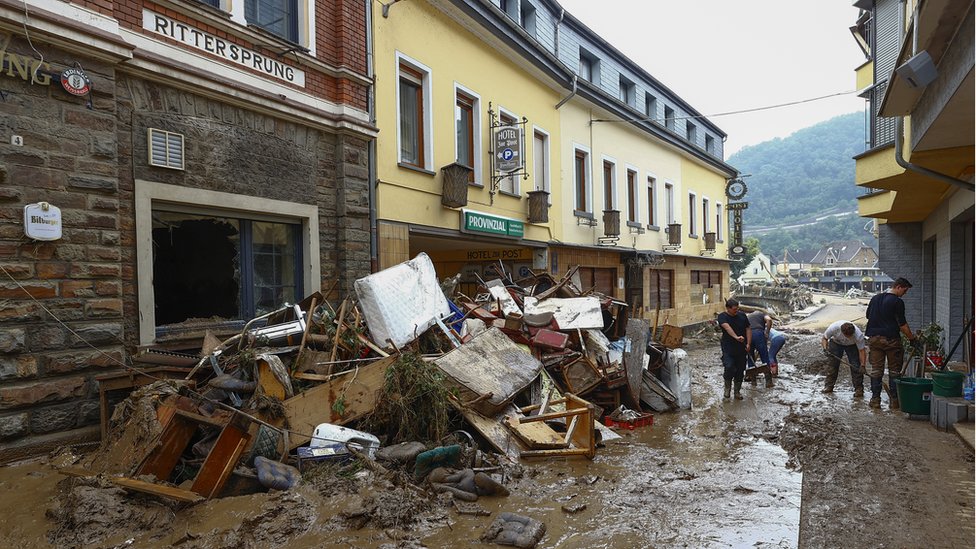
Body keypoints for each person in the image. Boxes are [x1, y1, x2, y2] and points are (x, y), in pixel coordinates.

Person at [865, 277, 916, 410]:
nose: (904, 294)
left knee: (876, 370)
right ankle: (895, 401)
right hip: (891, 340)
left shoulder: (875, 298)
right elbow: (902, 325)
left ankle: (875, 400)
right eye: (904, 291)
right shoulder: (897, 302)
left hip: (874, 339)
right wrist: (912, 339)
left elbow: (868, 316)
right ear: (898, 287)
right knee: (894, 371)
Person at [821, 320, 867, 397]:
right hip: (836, 343)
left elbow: (862, 351)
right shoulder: (834, 328)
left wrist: (862, 365)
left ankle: (859, 389)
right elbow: (824, 338)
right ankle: (829, 386)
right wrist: (825, 349)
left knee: (855, 366)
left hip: (852, 346)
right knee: (833, 365)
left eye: (850, 336)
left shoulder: (858, 335)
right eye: (847, 335)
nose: (848, 337)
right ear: (842, 332)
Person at [718, 298, 751, 400]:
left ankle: (737, 391)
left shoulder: (742, 316)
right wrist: (736, 337)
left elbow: (748, 328)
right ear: (728, 308)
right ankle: (727, 389)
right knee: (729, 366)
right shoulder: (722, 316)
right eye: (734, 309)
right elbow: (727, 328)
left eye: (737, 309)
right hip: (728, 347)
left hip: (741, 347)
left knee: (740, 369)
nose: (736, 311)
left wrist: (749, 343)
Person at [745, 309, 774, 388]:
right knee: (764, 357)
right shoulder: (762, 314)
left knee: (750, 357)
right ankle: (768, 382)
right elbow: (769, 320)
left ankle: (753, 382)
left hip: (748, 335)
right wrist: (767, 332)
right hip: (758, 333)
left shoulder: (748, 316)